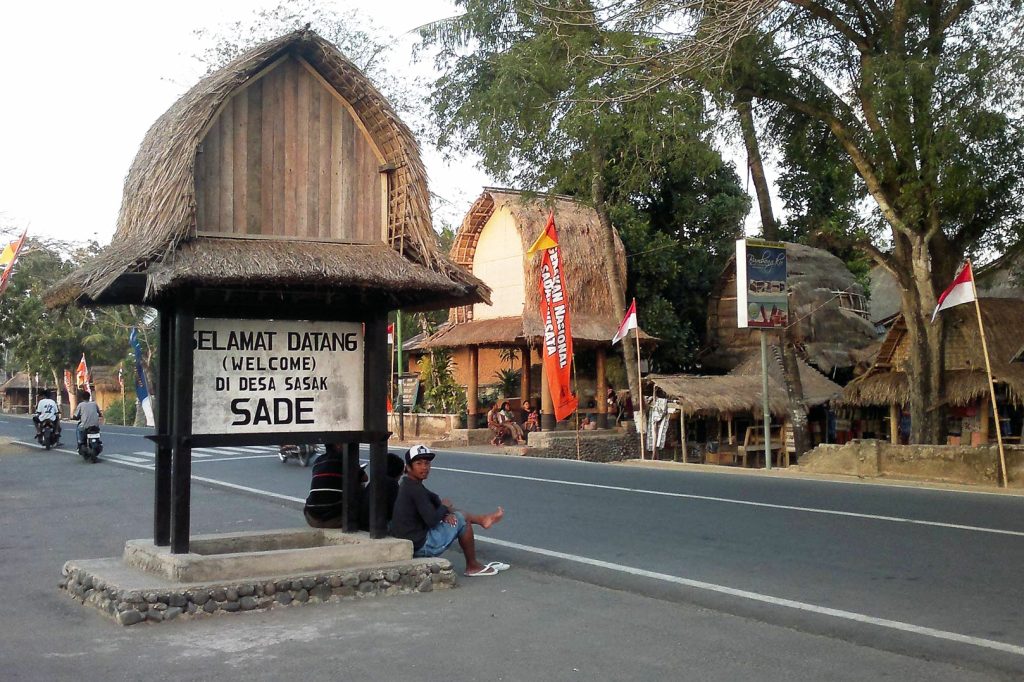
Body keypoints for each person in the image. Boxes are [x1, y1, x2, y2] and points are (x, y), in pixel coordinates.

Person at [391, 444, 507, 577]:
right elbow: (432, 520)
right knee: (462, 520)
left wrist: (445, 512)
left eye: (427, 463)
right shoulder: (414, 489)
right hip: (421, 546)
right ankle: (472, 566)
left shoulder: (409, 484)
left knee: (456, 515)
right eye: (419, 463)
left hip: (414, 543)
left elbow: (434, 498)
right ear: (408, 467)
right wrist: (444, 508)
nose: (424, 467)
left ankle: (482, 520)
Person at [304, 443, 367, 529]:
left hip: (311, 518)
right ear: (338, 445)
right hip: (334, 519)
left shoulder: (318, 460)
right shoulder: (345, 459)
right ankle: (359, 522)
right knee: (360, 486)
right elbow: (365, 478)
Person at [358, 452, 406, 532]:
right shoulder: (391, 484)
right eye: (400, 475)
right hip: (375, 527)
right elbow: (396, 512)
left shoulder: (376, 480)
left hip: (363, 524)